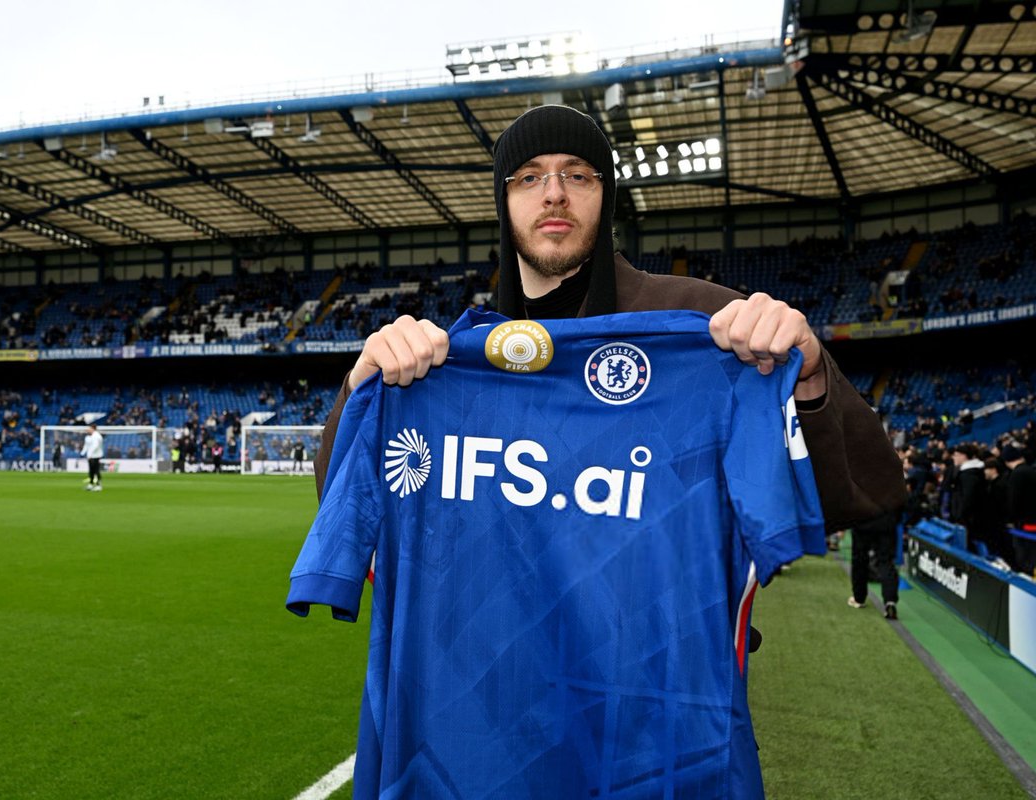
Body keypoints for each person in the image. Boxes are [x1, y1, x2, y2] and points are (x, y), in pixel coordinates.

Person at [297, 105, 906, 797]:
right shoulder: (445, 364)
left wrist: (810, 372)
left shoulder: (707, 332)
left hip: (652, 736)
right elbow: (346, 510)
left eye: (576, 175)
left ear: (606, 196)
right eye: (528, 177)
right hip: (489, 736)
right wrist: (362, 386)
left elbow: (870, 491)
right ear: (503, 204)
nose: (552, 193)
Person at [847, 510, 901, 619]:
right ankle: (890, 602)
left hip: (862, 519)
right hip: (886, 520)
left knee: (859, 560)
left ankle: (859, 598)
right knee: (886, 562)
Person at [947, 442, 987, 553]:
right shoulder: (967, 472)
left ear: (963, 456)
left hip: (969, 521)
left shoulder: (969, 475)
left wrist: (960, 516)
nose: (953, 457)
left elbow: (968, 498)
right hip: (969, 519)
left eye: (956, 454)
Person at [1004, 444, 1036, 575]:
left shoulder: (1017, 474)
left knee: (1027, 557)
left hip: (1026, 524)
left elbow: (1013, 501)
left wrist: (1010, 519)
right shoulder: (1032, 470)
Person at [81, 424, 104, 492]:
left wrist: (90, 454)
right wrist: (83, 453)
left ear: (93, 429)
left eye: (89, 428)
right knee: (91, 471)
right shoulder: (89, 437)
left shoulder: (96, 436)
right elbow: (87, 446)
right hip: (91, 456)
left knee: (96, 471)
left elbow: (95, 446)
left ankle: (98, 485)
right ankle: (91, 484)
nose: (88, 430)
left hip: (96, 456)